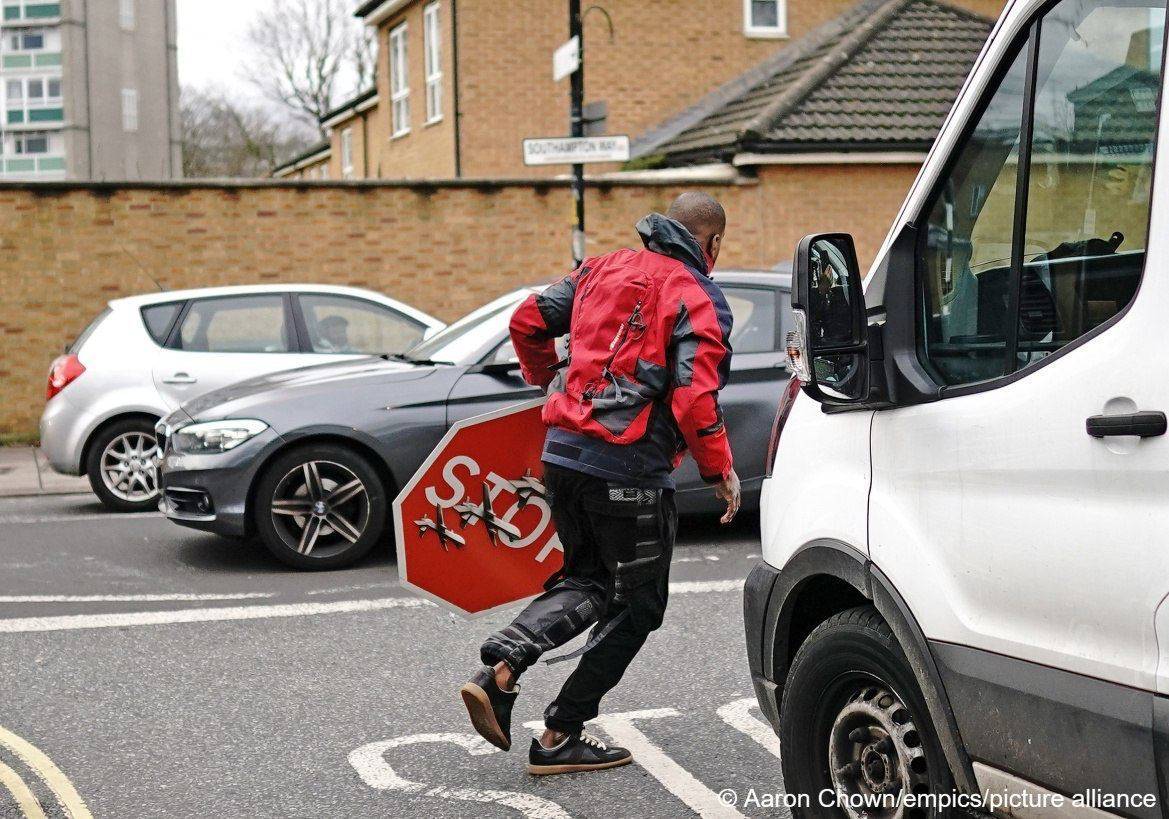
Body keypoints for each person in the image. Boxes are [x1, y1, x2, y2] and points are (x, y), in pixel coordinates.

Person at [460, 191, 741, 776]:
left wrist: (548, 383)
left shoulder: (599, 268)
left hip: (562, 455)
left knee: (589, 579)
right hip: (628, 466)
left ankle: (503, 669)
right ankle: (561, 730)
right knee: (640, 605)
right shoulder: (697, 293)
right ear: (711, 244)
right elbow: (694, 397)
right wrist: (719, 470)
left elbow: (528, 321)